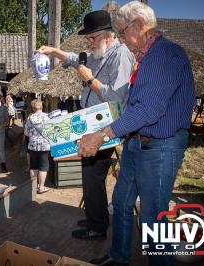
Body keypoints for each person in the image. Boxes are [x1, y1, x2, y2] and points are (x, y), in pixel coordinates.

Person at [78, 2, 196, 265]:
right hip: (137, 142)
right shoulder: (146, 58)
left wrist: (102, 135)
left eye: (121, 32)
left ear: (140, 26)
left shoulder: (165, 55)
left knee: (153, 216)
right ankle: (119, 257)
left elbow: (148, 110)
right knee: (120, 204)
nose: (119, 38)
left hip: (161, 146)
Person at [39, 9, 134, 241]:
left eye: (92, 38)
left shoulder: (120, 55)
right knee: (91, 174)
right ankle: (96, 217)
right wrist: (54, 51)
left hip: (109, 126)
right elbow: (75, 59)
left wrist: (90, 80)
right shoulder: (99, 53)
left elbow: (117, 99)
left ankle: (98, 227)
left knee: (92, 174)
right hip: (93, 124)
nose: (88, 43)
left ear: (107, 35)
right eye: (87, 39)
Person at [24, 99, 51, 193]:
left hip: (32, 145)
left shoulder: (30, 118)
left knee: (33, 166)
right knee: (43, 166)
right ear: (42, 106)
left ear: (32, 108)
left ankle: (34, 187)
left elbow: (26, 133)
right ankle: (41, 187)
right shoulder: (47, 117)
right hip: (44, 145)